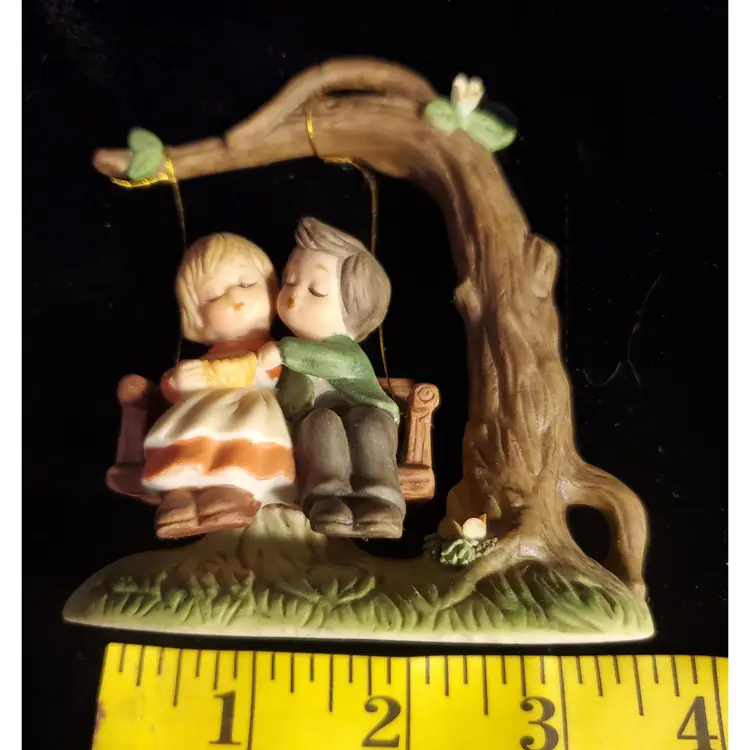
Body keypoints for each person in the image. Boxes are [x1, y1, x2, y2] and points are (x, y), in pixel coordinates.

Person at [142, 232, 296, 539]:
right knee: (184, 441)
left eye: (246, 283)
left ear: (272, 290)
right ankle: (180, 494)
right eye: (213, 296)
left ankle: (231, 490)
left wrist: (261, 367)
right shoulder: (208, 357)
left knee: (245, 435)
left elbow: (280, 375)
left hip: (251, 411)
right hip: (199, 414)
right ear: (196, 317)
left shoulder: (274, 350)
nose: (235, 298)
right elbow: (173, 386)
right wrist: (181, 381)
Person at [259, 217, 405, 539]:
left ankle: (381, 501)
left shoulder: (345, 350)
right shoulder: (288, 355)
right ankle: (326, 499)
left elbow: (335, 363)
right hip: (310, 423)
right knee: (321, 423)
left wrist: (284, 351)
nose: (294, 296)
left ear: (354, 309)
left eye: (316, 290)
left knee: (369, 426)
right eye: (289, 281)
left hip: (371, 416)